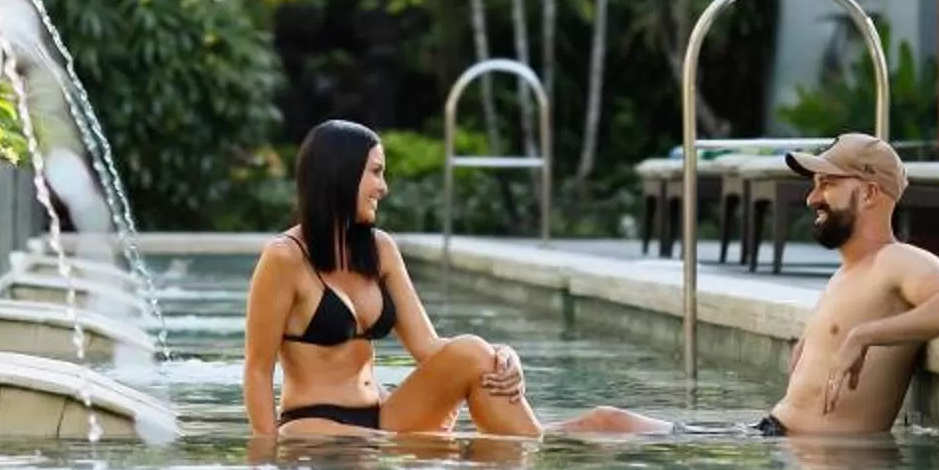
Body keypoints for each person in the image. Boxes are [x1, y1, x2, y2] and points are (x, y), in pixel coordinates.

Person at [245, 120, 664, 440]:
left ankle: (548, 442)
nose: (383, 187)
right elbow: (258, 369)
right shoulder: (284, 258)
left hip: (386, 415)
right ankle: (550, 444)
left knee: (475, 355)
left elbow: (429, 348)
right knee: (492, 441)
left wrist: (502, 355)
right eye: (375, 172)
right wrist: (265, 455)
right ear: (341, 173)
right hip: (314, 427)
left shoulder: (379, 249)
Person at [757, 132, 939, 437]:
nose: (811, 198)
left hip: (824, 459)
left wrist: (864, 336)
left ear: (869, 193)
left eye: (827, 184)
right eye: (814, 185)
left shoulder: (895, 260)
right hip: (782, 442)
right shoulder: (846, 274)